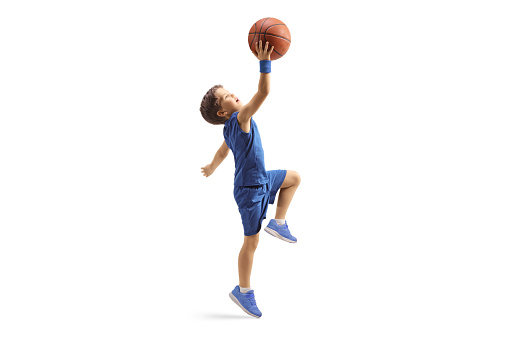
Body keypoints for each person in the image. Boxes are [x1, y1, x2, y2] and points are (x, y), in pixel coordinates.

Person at [199, 40, 301, 318]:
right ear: (224, 112)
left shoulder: (229, 130)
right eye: (227, 96)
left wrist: (211, 166)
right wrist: (265, 62)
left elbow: (222, 152)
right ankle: (243, 291)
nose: (233, 95)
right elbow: (264, 91)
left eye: (230, 91)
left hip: (259, 179)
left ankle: (278, 222)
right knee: (251, 243)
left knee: (293, 178)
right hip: (250, 190)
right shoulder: (241, 117)